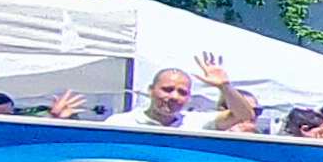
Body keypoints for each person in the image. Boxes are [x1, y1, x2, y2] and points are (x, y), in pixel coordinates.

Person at [107, 55, 259, 132]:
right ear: (151, 90)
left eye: (182, 92)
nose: (174, 97)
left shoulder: (197, 122)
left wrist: (225, 87)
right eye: (167, 89)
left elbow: (244, 115)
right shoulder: (119, 124)